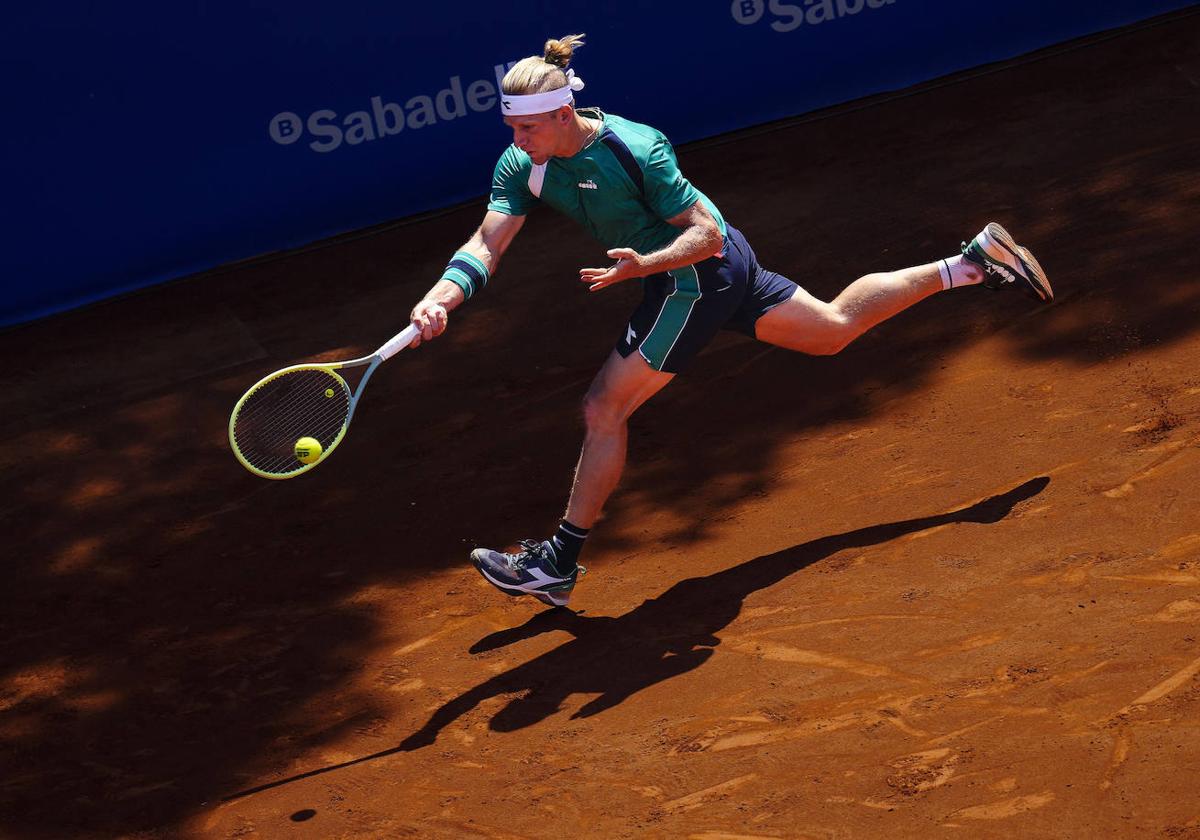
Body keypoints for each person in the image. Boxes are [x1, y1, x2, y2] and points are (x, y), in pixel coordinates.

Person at [407, 34, 1052, 608]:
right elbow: (486, 245)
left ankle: (558, 563)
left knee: (604, 409)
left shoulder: (635, 149)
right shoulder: (521, 163)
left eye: (530, 130)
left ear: (565, 113)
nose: (517, 143)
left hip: (691, 275)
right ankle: (969, 265)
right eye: (512, 130)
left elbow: (708, 235)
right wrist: (443, 296)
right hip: (706, 270)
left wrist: (643, 268)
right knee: (830, 331)